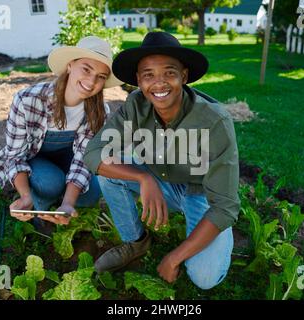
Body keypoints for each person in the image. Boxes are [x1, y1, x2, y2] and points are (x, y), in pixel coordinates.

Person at [83, 32, 240, 290]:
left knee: (204, 278)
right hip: (159, 181)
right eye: (148, 75)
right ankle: (136, 241)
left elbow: (225, 206)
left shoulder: (214, 121)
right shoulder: (135, 105)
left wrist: (173, 257)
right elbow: (93, 153)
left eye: (169, 73)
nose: (159, 83)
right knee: (110, 170)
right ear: (138, 81)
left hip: (201, 193)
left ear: (184, 76)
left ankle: (220, 233)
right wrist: (142, 177)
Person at [0, 36, 122, 228]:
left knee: (92, 194)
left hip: (69, 157)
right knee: (50, 183)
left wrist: (68, 203)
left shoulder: (99, 111)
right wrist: (25, 196)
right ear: (70, 65)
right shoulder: (28, 100)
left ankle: (62, 203)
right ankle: (38, 204)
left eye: (101, 76)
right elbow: (15, 156)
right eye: (86, 69)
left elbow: (82, 159)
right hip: (35, 157)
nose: (91, 80)